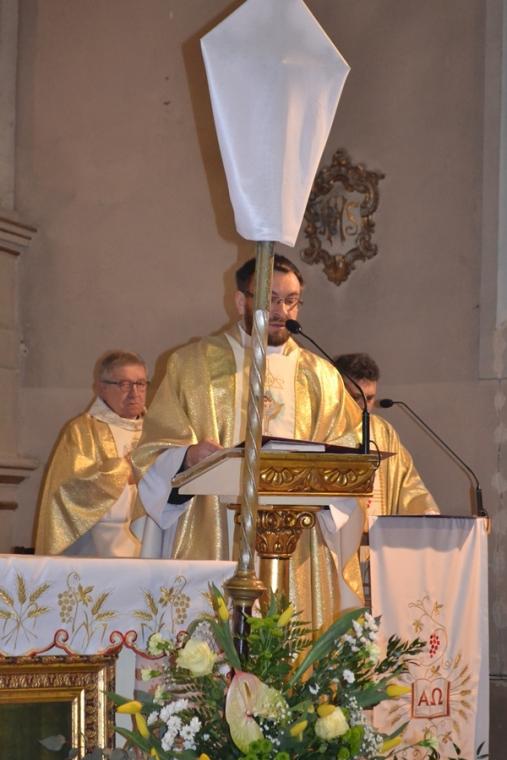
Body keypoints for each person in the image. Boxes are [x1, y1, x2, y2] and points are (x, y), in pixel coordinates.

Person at [133, 254, 364, 630]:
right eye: (270, 299)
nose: (282, 311)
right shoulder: (192, 366)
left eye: (291, 300)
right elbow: (151, 453)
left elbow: (347, 459)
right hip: (213, 534)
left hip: (299, 546)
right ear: (241, 300)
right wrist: (187, 456)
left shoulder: (323, 377)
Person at [35, 350, 148, 557]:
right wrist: (125, 470)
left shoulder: (159, 432)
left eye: (140, 383)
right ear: (101, 388)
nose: (135, 393)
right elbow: (69, 487)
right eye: (124, 384)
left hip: (151, 540)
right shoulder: (81, 431)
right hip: (96, 546)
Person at [334, 352, 439, 516]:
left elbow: (408, 484)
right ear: (337, 391)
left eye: (369, 398)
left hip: (377, 530)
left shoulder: (383, 432)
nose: (364, 406)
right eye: (356, 397)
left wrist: (427, 513)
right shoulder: (324, 429)